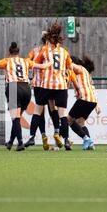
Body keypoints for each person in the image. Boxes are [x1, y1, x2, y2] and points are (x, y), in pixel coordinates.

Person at [0, 42, 52, 151]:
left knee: (15, 118)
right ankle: (10, 142)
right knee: (17, 117)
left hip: (13, 87)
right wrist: (51, 62)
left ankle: (20, 143)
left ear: (9, 52)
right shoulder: (25, 61)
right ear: (18, 53)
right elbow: (42, 66)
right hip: (26, 89)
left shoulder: (7, 61)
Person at [33, 22, 74, 150]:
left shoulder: (43, 50)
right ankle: (66, 140)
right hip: (61, 86)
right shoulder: (64, 52)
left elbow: (34, 64)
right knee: (62, 115)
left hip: (45, 85)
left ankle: (32, 137)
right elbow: (70, 67)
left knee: (38, 111)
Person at [25, 31, 62, 150]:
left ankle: (40, 136)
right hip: (49, 83)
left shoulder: (36, 50)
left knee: (39, 110)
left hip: (38, 84)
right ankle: (57, 132)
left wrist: (28, 76)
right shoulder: (54, 50)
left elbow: (27, 63)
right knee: (53, 107)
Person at [67, 55, 99, 150]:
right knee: (80, 122)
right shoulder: (86, 73)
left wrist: (64, 61)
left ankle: (86, 138)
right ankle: (90, 144)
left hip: (84, 98)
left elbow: (72, 66)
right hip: (92, 100)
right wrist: (97, 104)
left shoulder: (80, 68)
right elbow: (92, 87)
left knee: (69, 120)